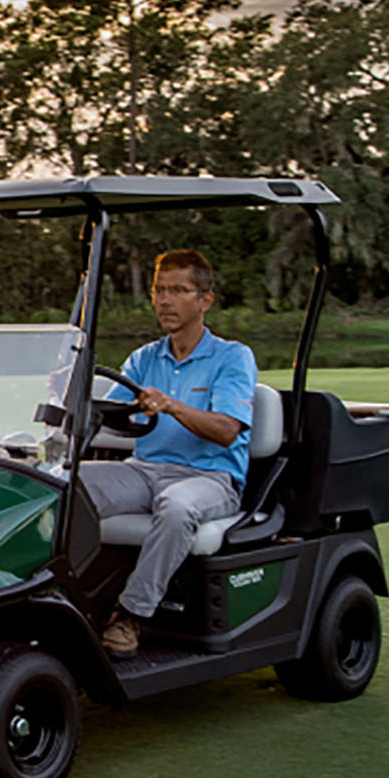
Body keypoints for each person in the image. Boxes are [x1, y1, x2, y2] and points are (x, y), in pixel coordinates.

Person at [80, 249, 257, 657]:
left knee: (176, 506)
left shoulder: (232, 358)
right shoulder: (144, 358)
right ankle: (65, 596)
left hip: (211, 478)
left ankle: (130, 616)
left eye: (178, 290)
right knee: (64, 485)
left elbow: (228, 430)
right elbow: (111, 415)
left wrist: (172, 405)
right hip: (144, 470)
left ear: (205, 300)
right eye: (160, 290)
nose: (164, 300)